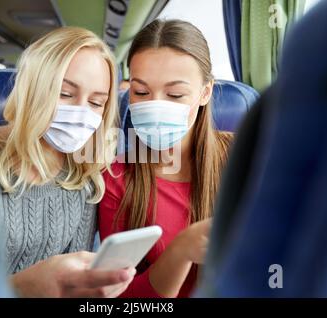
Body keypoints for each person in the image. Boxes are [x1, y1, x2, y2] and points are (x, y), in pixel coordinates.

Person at [0, 26, 134, 297]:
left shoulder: (84, 178)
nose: (81, 112)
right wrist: (22, 287)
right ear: (33, 88)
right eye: (65, 94)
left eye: (97, 102)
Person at [99, 19, 233, 298]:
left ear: (205, 92)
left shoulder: (245, 156)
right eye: (141, 92)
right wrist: (182, 251)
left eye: (175, 94)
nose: (155, 105)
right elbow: (121, 297)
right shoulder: (116, 179)